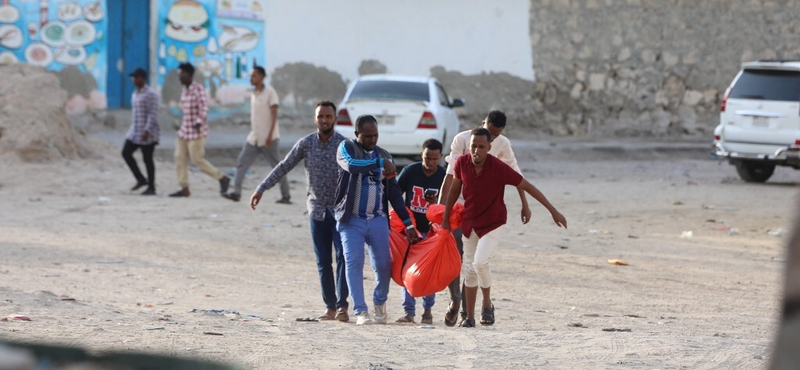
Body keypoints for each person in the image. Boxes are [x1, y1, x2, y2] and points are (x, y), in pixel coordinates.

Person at [441, 127, 567, 328]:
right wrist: (445, 218)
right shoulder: (462, 163)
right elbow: (455, 190)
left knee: (480, 263)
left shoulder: (498, 168)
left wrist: (553, 211)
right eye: (473, 146)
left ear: (489, 148)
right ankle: (469, 317)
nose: (476, 151)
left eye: (482, 147)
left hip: (493, 222)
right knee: (469, 269)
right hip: (470, 222)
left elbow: (527, 186)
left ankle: (487, 303)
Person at [249, 101, 349, 322]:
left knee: (343, 258)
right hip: (316, 212)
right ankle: (330, 307)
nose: (324, 120)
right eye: (320, 116)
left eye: (328, 116)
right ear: (315, 119)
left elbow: (360, 172)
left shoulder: (344, 145)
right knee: (323, 262)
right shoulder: (306, 144)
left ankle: (343, 307)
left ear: (335, 119)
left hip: (341, 211)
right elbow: (284, 165)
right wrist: (262, 188)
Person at [438, 110, 531, 326]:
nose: (491, 137)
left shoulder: (503, 144)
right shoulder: (462, 140)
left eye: (495, 135)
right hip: (459, 206)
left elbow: (516, 175)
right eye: (489, 131)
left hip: (484, 208)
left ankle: (471, 310)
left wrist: (525, 204)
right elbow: (450, 177)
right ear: (482, 124)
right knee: (457, 257)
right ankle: (455, 301)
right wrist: (442, 210)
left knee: (474, 262)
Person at [334, 115, 421, 325]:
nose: (372, 140)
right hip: (351, 219)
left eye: (375, 135)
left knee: (383, 265)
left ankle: (379, 303)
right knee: (354, 263)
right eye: (367, 136)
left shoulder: (384, 155)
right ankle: (361, 311)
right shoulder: (346, 148)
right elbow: (353, 166)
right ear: (357, 134)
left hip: (378, 220)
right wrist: (380, 163)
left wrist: (407, 223)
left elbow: (394, 194)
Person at [394, 138, 446, 324]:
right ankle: (409, 312)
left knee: (428, 272)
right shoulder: (411, 171)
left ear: (440, 157)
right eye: (426, 158)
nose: (430, 163)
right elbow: (395, 195)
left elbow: (448, 203)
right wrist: (402, 222)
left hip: (432, 231)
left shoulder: (444, 175)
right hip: (411, 229)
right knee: (407, 270)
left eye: (434, 159)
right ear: (421, 154)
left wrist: (435, 204)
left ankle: (428, 310)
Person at [223, 66, 290, 203]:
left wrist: (270, 136)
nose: (251, 78)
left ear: (261, 77)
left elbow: (274, 115)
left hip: (268, 138)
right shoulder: (254, 94)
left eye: (254, 76)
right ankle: (236, 193)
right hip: (254, 137)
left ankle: (286, 195)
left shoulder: (270, 92)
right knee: (242, 162)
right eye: (251, 76)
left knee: (277, 167)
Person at [169, 62, 230, 197]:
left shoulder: (198, 89)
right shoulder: (184, 90)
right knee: (179, 157)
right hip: (185, 130)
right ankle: (184, 187)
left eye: (182, 75)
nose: (180, 78)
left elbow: (204, 108)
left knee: (197, 160)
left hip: (197, 132)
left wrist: (198, 122)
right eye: (179, 75)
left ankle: (222, 178)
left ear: (189, 75)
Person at [122, 68, 159, 196]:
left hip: (147, 132)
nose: (134, 80)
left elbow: (152, 114)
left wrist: (147, 129)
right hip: (135, 130)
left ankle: (152, 187)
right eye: (133, 78)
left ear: (142, 78)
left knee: (147, 159)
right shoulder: (135, 93)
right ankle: (141, 179)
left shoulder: (151, 94)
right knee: (126, 153)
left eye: (136, 77)